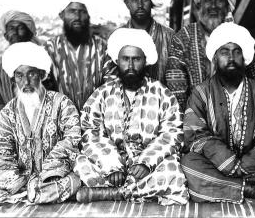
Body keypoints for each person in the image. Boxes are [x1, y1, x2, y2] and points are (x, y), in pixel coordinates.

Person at [181, 23, 255, 203]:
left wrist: (249, 162)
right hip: (216, 164)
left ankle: (225, 186)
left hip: (253, 163)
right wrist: (227, 161)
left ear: (244, 56)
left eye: (236, 51)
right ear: (215, 58)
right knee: (189, 165)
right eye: (224, 52)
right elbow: (196, 135)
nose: (231, 57)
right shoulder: (201, 93)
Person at [74, 28, 189, 205]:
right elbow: (91, 132)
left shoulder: (161, 93)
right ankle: (134, 191)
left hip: (148, 162)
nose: (130, 66)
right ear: (117, 61)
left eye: (136, 59)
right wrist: (112, 167)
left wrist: (145, 163)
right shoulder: (103, 93)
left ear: (145, 62)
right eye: (125, 59)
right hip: (111, 160)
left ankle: (114, 193)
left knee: (172, 170)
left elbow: (172, 133)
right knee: (82, 163)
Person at [0, 42, 81, 212]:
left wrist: (48, 171)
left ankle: (33, 193)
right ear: (13, 79)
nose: (26, 81)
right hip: (19, 177)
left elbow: (72, 139)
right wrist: (15, 179)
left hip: (54, 174)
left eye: (31, 74)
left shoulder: (62, 103)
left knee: (75, 181)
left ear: (41, 75)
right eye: (19, 76)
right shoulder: (9, 111)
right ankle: (29, 193)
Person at [166, 0, 255, 111]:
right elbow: (177, 91)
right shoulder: (183, 39)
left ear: (228, 6)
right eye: (208, 0)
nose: (214, 6)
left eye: (219, 0)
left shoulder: (240, 36)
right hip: (195, 120)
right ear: (199, 6)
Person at [0, 10, 56, 121]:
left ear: (29, 31)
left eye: (20, 28)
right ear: (5, 35)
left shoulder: (44, 58)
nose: (16, 32)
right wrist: (7, 122)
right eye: (11, 29)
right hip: (13, 127)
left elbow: (56, 89)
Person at [103, 0, 174, 84]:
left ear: (152, 2)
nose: (140, 5)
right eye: (134, 0)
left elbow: (175, 77)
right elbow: (109, 77)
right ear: (127, 3)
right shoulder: (117, 38)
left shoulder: (169, 36)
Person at [45, 1, 106, 111]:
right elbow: (45, 89)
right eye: (72, 11)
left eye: (82, 12)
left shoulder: (102, 47)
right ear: (62, 15)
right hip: (61, 119)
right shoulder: (50, 48)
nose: (77, 17)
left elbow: (111, 85)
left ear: (88, 16)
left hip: (97, 118)